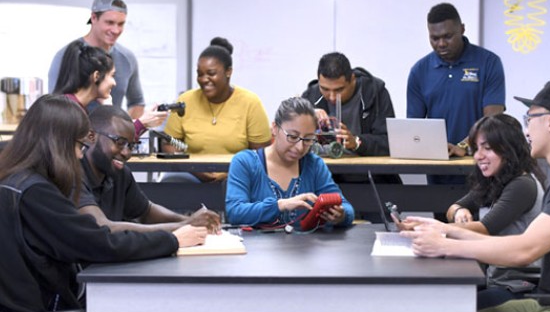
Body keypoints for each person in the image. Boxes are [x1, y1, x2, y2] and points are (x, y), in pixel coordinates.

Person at [0, 95, 207, 312]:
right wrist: (171, 239)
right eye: (78, 145)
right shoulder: (36, 194)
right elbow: (100, 241)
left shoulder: (14, 181)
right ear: (57, 142)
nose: (79, 154)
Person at [399, 81, 550, 312]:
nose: (527, 131)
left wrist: (444, 245)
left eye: (530, 119)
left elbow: (524, 250)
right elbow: (518, 244)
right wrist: (445, 229)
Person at [396, 113, 545, 309]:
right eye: (476, 149)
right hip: (496, 280)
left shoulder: (522, 185)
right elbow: (453, 207)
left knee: (444, 307)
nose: (478, 156)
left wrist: (438, 229)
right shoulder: (495, 179)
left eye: (487, 148)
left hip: (517, 287)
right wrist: (459, 212)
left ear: (509, 149)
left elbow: (485, 228)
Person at [77, 105, 221, 233]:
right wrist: (185, 225)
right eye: (120, 143)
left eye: (131, 146)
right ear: (91, 136)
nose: (127, 153)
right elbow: (102, 228)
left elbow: (145, 212)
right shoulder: (73, 173)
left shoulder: (119, 172)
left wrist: (189, 220)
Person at [225, 97, 355, 229]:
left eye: (308, 139)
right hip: (259, 249)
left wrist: (341, 215)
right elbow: (235, 213)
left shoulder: (314, 165)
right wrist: (280, 205)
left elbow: (346, 207)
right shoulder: (245, 162)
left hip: (306, 248)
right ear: (275, 128)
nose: (299, 147)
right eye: (292, 137)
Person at [162, 37, 271, 183]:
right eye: (200, 74)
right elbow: (169, 143)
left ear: (228, 72)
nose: (204, 79)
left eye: (211, 73)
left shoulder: (250, 102)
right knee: (173, 183)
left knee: (233, 187)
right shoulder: (185, 101)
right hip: (192, 173)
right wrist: (195, 169)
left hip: (237, 173)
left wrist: (230, 173)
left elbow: (261, 153)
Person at [407, 2, 506, 158]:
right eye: (434, 38)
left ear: (462, 29)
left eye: (448, 36)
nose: (441, 44)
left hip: (479, 161)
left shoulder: (489, 63)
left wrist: (464, 146)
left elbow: (493, 119)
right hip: (437, 163)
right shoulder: (419, 71)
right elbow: (414, 126)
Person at [48, 0, 146, 120]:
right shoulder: (67, 55)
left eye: (121, 24)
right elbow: (54, 106)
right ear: (94, 18)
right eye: (110, 22)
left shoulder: (127, 58)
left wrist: (121, 130)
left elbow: (137, 102)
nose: (116, 30)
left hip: (111, 138)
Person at [53, 39, 166, 138]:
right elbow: (101, 145)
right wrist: (141, 123)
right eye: (112, 76)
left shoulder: (72, 107)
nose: (114, 83)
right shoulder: (72, 113)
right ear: (96, 76)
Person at [301, 52, 395, 157]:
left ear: (352, 79)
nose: (332, 97)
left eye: (339, 90)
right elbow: (290, 139)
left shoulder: (375, 92)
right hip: (326, 170)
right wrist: (305, 118)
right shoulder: (311, 96)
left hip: (368, 171)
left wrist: (356, 142)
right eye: (325, 89)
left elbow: (389, 142)